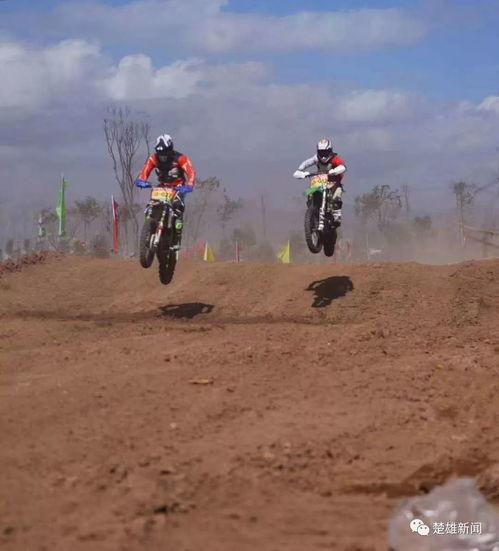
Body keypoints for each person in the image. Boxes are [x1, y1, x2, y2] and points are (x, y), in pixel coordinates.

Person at [135, 134, 196, 243]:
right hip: (162, 186)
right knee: (151, 204)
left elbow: (191, 171)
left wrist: (189, 185)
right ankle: (149, 228)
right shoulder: (154, 158)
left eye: (164, 152)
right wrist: (141, 180)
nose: (162, 156)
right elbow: (145, 170)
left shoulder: (180, 158)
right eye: (160, 153)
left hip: (178, 188)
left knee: (178, 207)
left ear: (170, 149)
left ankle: (177, 237)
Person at [293, 138, 347, 225]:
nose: (323, 155)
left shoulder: (334, 158)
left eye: (325, 152)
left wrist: (335, 171)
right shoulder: (316, 158)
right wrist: (301, 171)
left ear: (330, 150)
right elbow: (306, 163)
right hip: (320, 181)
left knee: (336, 196)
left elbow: (343, 166)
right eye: (321, 152)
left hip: (333, 183)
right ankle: (312, 210)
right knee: (309, 192)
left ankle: (336, 215)